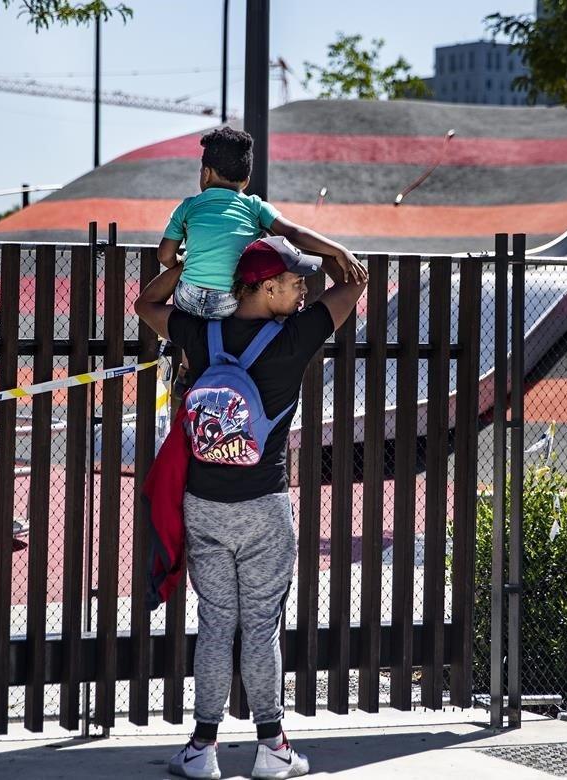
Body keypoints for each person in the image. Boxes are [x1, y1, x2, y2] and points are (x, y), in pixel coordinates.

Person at [135, 235, 367, 780]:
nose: (305, 290)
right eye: (293, 282)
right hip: (264, 505)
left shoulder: (200, 330)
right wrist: (328, 249)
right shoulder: (295, 338)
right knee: (261, 628)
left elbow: (146, 306)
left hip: (205, 505)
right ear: (265, 287)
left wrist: (185, 265)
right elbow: (354, 285)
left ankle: (201, 749)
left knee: (216, 626)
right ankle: (273, 748)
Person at [158, 126, 362, 319]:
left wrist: (181, 262)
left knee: (190, 335)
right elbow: (293, 233)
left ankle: (188, 357)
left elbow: (165, 256)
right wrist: (338, 250)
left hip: (189, 297)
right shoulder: (255, 206)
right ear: (246, 181)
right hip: (230, 301)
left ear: (206, 173)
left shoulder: (188, 206)